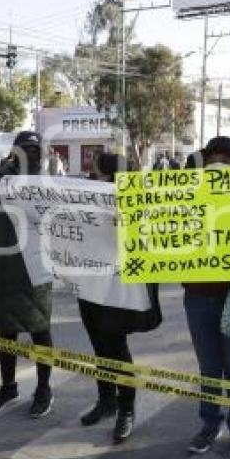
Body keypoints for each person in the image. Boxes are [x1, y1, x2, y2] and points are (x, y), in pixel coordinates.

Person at [182, 136, 230, 459]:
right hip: (198, 296)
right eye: (214, 159)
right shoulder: (186, 199)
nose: (220, 165)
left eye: (227, 161)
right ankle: (210, 425)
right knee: (209, 368)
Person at [77, 152, 162, 444]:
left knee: (115, 346)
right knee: (100, 346)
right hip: (88, 286)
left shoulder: (134, 200)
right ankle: (106, 401)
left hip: (116, 288)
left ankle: (127, 407)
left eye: (97, 171)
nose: (92, 175)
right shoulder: (88, 196)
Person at [0, 130, 56, 418]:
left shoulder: (47, 185)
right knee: (4, 330)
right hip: (0, 269)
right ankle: (8, 387)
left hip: (33, 271)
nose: (31, 156)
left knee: (39, 329)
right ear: (14, 152)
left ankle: (44, 388)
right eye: (25, 151)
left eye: (36, 151)